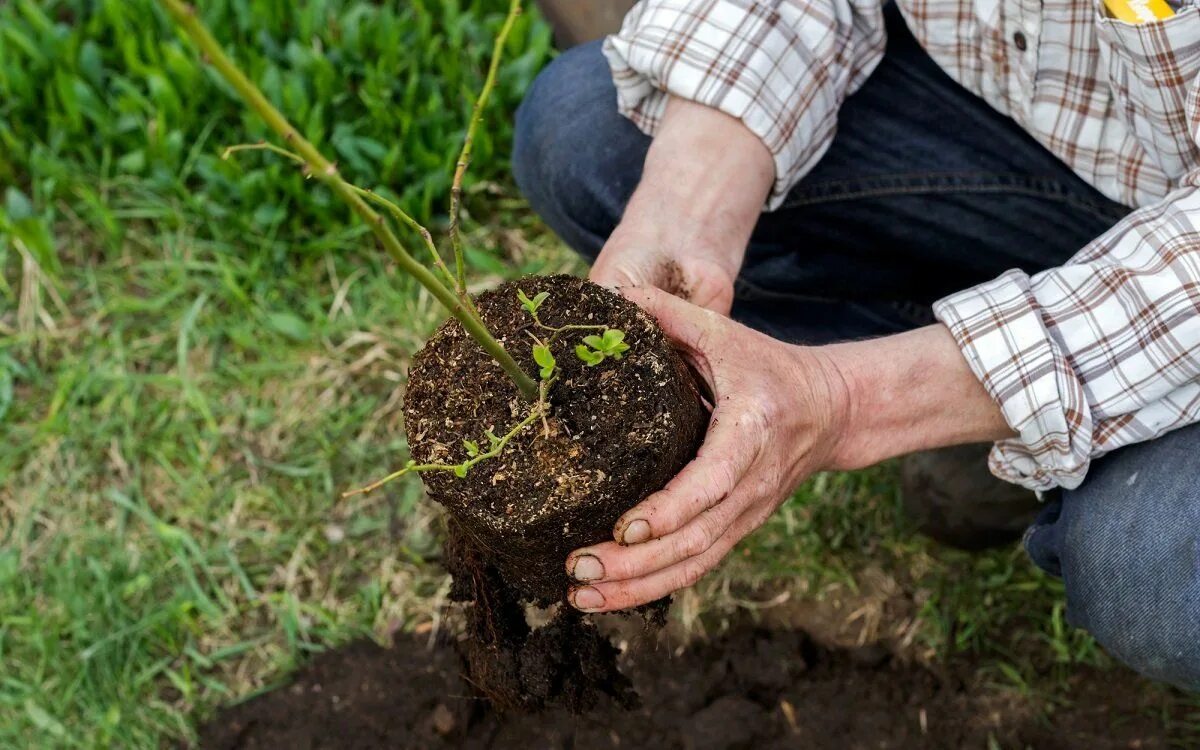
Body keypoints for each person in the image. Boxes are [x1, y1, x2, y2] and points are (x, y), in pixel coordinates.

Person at [511, 0, 1200, 690]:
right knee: (587, 138)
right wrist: (688, 211)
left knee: (1157, 572)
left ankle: (1022, 416)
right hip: (1046, 144)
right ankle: (1008, 405)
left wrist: (847, 399)